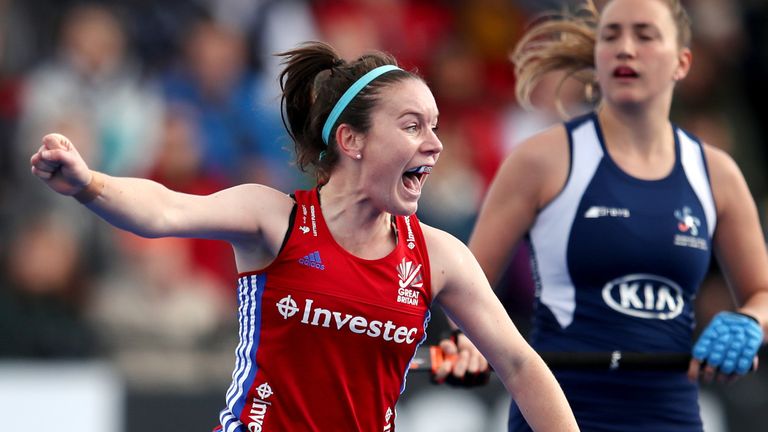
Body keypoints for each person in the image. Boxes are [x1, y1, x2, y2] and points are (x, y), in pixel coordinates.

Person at [30, 41, 579, 432]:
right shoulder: (275, 219)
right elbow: (166, 212)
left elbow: (520, 364)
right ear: (352, 140)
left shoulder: (440, 257)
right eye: (412, 125)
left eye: (435, 125)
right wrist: (88, 183)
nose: (435, 143)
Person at [467, 0, 768, 431]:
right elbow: (465, 286)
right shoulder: (541, 160)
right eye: (611, 36)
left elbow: (762, 293)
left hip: (672, 417)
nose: (625, 48)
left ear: (682, 62)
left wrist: (749, 320)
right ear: (597, 58)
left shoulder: (717, 174)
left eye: (645, 35)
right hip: (560, 415)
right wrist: (464, 341)